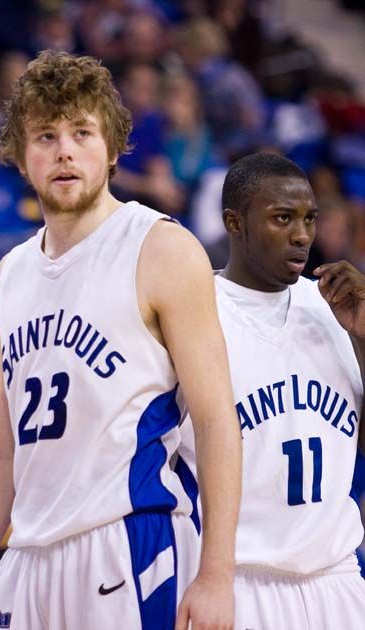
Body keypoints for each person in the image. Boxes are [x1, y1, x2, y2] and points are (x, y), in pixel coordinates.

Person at [0, 50, 241, 630]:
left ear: (114, 146)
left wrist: (218, 575)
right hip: (26, 555)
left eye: (82, 131)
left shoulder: (160, 248)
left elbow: (217, 420)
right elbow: (1, 447)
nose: (65, 150)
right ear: (21, 156)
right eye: (45, 135)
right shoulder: (11, 274)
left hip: (127, 542)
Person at [178, 152, 365, 629]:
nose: (302, 235)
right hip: (235, 579)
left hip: (336, 577)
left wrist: (364, 338)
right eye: (283, 218)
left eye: (309, 219)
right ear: (234, 223)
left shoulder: (332, 307)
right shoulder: (192, 311)